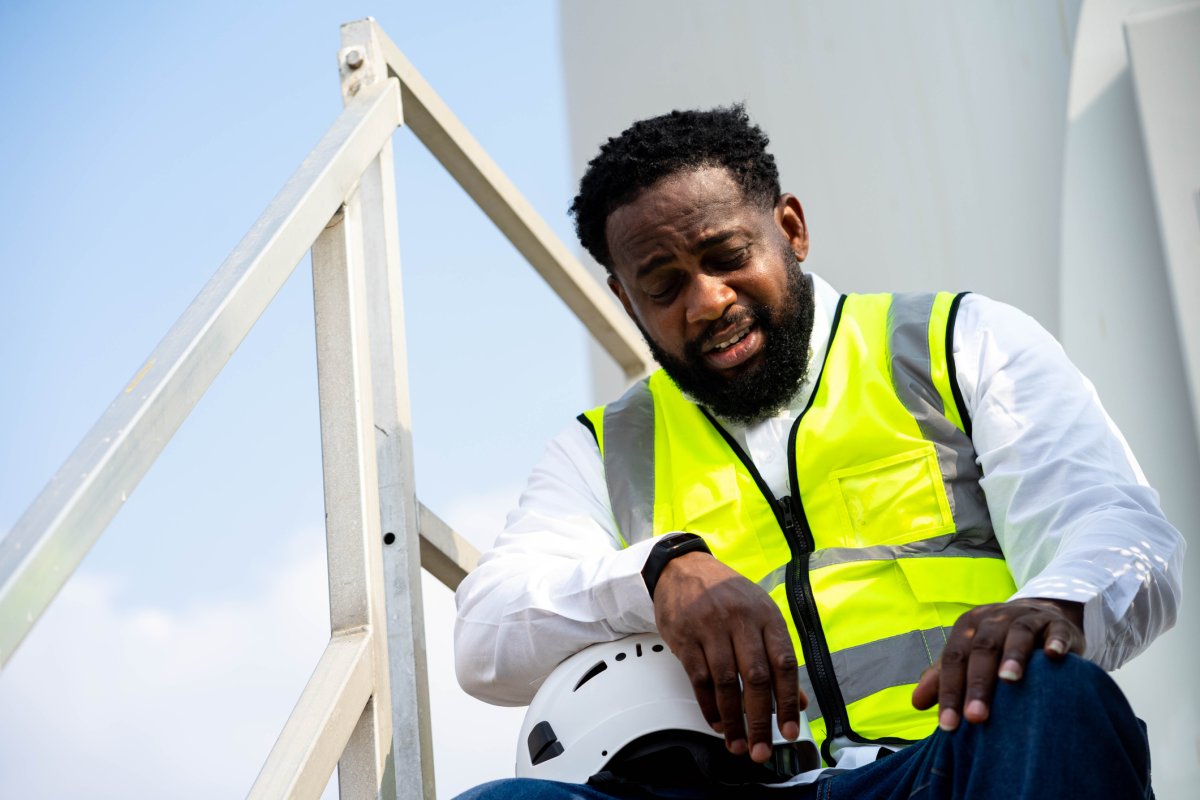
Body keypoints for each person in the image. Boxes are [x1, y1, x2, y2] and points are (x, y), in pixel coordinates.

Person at [453, 106, 1184, 799]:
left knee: (1056, 695)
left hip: (954, 763)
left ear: (791, 229)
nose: (707, 302)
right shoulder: (603, 449)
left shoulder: (956, 343)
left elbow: (1118, 532)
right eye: (665, 285)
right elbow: (485, 635)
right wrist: (656, 572)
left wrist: (1045, 607)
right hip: (746, 787)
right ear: (625, 300)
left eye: (727, 256)